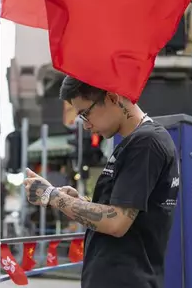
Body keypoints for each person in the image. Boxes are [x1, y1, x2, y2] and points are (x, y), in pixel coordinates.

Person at [23, 76, 179, 288]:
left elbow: (116, 222)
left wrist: (53, 196)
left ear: (113, 98)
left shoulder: (146, 142)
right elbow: (123, 212)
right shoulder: (135, 142)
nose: (86, 125)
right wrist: (79, 201)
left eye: (85, 113)